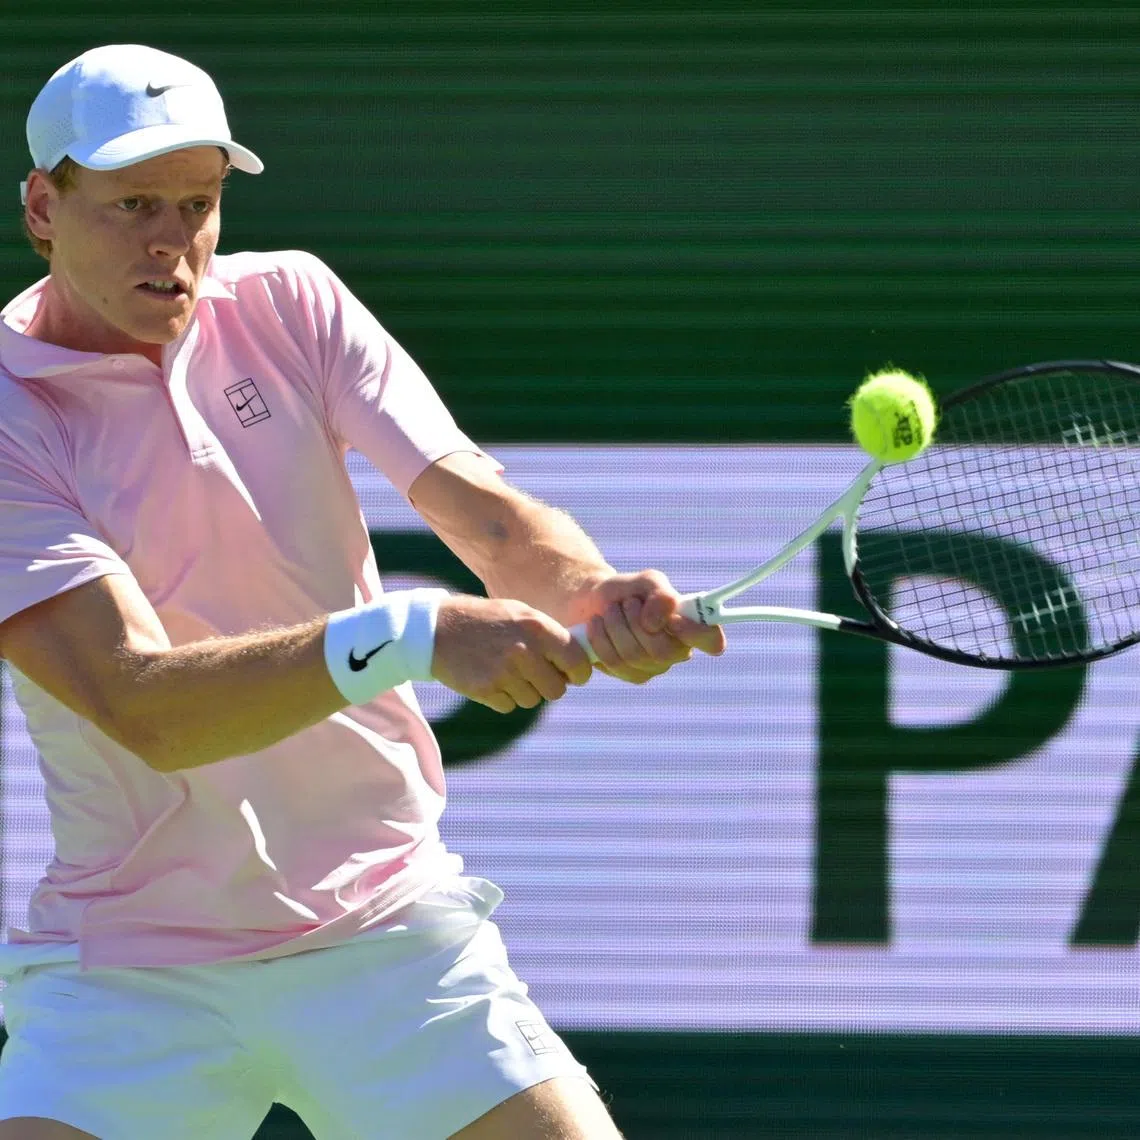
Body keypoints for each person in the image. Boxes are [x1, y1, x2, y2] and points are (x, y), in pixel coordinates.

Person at [0, 43, 724, 1140]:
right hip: (130, 971)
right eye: (132, 203)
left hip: (384, 926)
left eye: (197, 205)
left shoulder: (291, 300)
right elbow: (141, 704)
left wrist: (593, 593)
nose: (172, 240)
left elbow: (483, 514)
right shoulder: (8, 412)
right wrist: (413, 634)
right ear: (43, 207)